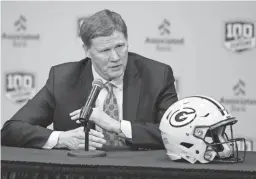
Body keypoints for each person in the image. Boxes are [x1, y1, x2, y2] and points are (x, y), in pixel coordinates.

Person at [1, 9, 178, 151]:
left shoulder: (157, 75)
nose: (115, 57)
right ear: (87, 51)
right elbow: (11, 129)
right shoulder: (62, 78)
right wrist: (62, 139)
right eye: (105, 50)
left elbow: (175, 133)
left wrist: (117, 126)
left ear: (127, 42)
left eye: (120, 46)